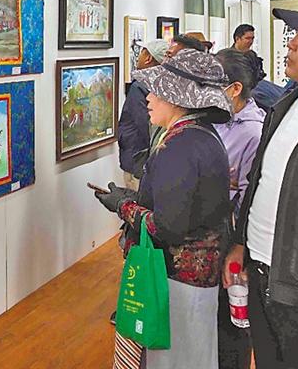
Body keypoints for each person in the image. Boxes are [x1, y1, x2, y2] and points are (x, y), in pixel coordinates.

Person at [95, 49, 233, 368]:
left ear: (178, 97)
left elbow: (168, 227)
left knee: (173, 357)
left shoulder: (180, 145)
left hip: (177, 280)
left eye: (157, 91)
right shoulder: (199, 136)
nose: (148, 98)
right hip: (196, 277)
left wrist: (123, 206)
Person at [223, 0, 298, 369]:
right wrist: (240, 243)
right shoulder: (284, 106)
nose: (292, 43)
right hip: (261, 277)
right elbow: (259, 182)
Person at [214, 49, 266, 369]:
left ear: (234, 89)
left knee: (231, 325)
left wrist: (239, 247)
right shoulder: (215, 118)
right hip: (209, 236)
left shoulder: (252, 131)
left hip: (231, 238)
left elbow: (249, 198)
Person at [118, 38, 169, 188]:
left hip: (138, 161)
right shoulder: (165, 83)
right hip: (156, 161)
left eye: (141, 53)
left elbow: (144, 124)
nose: (138, 57)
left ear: (148, 58)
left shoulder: (139, 86)